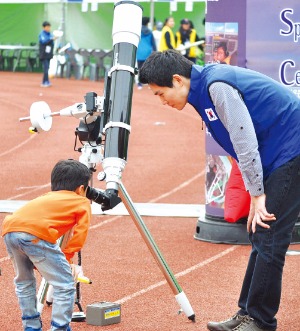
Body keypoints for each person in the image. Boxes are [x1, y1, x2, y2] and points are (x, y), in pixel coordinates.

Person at [139, 50, 300, 331]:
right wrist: (255, 191)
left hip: (291, 149)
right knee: (260, 232)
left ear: (178, 80)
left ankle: (261, 321)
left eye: (160, 94)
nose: (162, 101)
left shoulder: (216, 86)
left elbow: (244, 139)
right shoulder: (203, 89)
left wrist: (258, 194)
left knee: (270, 234)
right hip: (278, 152)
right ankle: (247, 313)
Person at [2, 159, 92, 331]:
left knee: (24, 282)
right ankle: (59, 328)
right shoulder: (81, 201)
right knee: (65, 285)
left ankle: (31, 327)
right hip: (35, 234)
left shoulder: (45, 197)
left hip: (10, 230)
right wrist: (66, 257)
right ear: (81, 189)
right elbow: (80, 233)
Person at [136, 17, 156, 89]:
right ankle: (149, 83)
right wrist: (155, 52)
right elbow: (153, 43)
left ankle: (139, 84)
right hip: (147, 52)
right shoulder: (150, 32)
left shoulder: (138, 31)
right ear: (147, 23)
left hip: (139, 52)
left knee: (139, 68)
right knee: (148, 68)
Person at [39, 21, 57, 87]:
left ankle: (45, 81)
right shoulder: (42, 34)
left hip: (49, 54)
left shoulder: (50, 34)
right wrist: (51, 39)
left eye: (49, 27)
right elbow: (44, 41)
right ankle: (45, 82)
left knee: (47, 68)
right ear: (43, 27)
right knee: (46, 68)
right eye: (47, 27)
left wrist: (54, 38)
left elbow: (52, 41)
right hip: (43, 54)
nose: (48, 28)